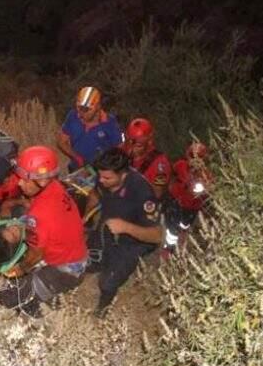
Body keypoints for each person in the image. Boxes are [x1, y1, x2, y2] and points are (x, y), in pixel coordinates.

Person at [0, 146, 88, 318]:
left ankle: (39, 314)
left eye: (25, 179)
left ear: (42, 181)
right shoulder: (55, 187)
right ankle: (45, 292)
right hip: (75, 255)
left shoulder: (40, 216)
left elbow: (35, 255)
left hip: (66, 270)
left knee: (7, 297)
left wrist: (19, 270)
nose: (19, 182)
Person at [85, 148, 164, 318]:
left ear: (123, 175)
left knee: (107, 282)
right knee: (85, 259)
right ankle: (99, 263)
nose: (101, 180)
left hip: (134, 242)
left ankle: (102, 311)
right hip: (108, 227)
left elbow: (157, 236)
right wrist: (84, 219)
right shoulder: (103, 178)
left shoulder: (142, 193)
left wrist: (125, 227)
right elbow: (94, 195)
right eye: (100, 176)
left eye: (107, 178)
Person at [57, 86, 123, 172]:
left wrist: (108, 165)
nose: (80, 114)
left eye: (86, 110)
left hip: (101, 171)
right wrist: (77, 158)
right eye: (79, 108)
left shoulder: (109, 123)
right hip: (77, 169)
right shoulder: (73, 116)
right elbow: (61, 142)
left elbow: (119, 148)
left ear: (98, 107)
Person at [163, 142, 213, 253]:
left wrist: (203, 188)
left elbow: (208, 191)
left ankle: (181, 241)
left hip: (191, 207)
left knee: (184, 226)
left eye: (199, 158)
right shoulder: (181, 165)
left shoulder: (206, 175)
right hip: (175, 200)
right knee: (172, 227)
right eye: (192, 156)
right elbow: (170, 173)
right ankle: (169, 249)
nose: (195, 160)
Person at [122, 116, 172, 199]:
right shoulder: (125, 148)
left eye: (138, 145)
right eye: (129, 142)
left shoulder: (161, 165)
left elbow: (157, 192)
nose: (132, 148)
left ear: (149, 142)